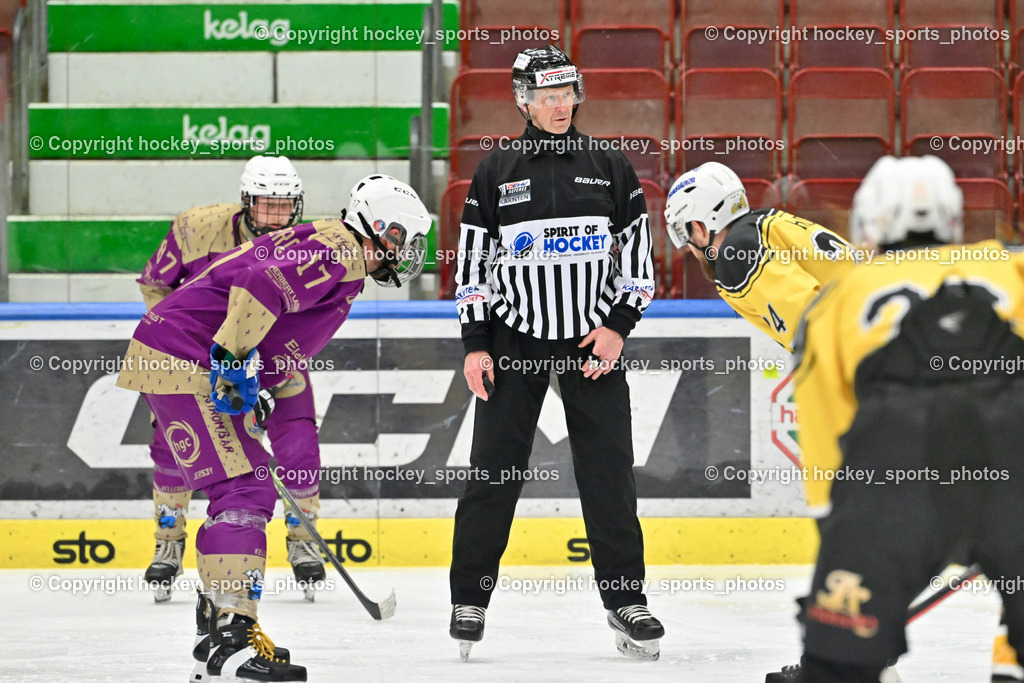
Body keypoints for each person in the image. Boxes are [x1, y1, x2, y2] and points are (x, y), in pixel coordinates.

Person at [117, 174, 431, 682]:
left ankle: (215, 627)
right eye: (408, 239)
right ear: (383, 229)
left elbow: (273, 310)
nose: (412, 251)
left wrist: (255, 381)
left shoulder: (332, 243)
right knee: (245, 486)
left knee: (247, 481)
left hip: (180, 354)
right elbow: (257, 284)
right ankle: (231, 636)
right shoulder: (341, 252)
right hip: (185, 358)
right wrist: (234, 361)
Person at [449, 45, 661, 661]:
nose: (560, 104)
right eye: (547, 96)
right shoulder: (494, 172)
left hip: (592, 342)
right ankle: (470, 599)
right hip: (513, 341)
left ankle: (627, 600)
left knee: (609, 476)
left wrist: (619, 326)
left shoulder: (610, 166)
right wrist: (475, 345)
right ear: (522, 101)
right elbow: (471, 271)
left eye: (568, 92)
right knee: (493, 474)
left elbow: (639, 265)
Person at [789, 155, 1024, 682]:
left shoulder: (837, 298)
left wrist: (847, 536)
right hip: (1015, 457)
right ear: (954, 220)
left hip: (895, 470)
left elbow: (829, 432)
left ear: (870, 223)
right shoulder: (1012, 267)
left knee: (838, 664)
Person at [663, 161, 858, 353]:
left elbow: (814, 327)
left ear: (699, 227)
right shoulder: (765, 224)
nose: (687, 246)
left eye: (681, 233)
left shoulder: (736, 254)